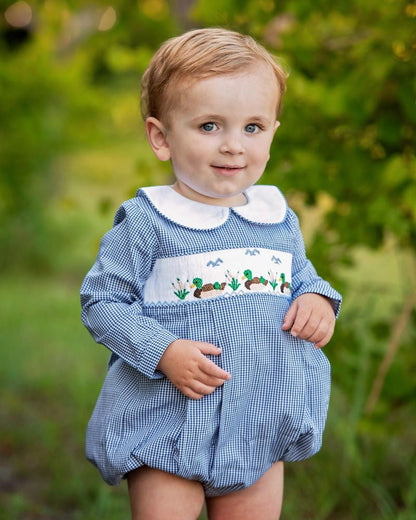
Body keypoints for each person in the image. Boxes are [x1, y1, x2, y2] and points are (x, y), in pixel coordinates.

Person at [80, 27, 342, 520]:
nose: (233, 146)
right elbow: (101, 303)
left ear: (272, 132)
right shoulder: (148, 221)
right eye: (208, 126)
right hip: (168, 421)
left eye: (252, 127)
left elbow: (300, 275)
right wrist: (163, 351)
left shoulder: (275, 215)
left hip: (259, 416)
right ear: (161, 137)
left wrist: (318, 300)